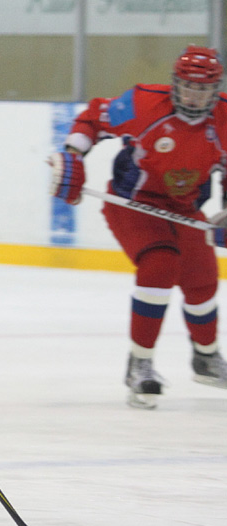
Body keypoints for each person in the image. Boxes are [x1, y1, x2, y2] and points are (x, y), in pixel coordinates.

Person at [49, 45, 227, 410]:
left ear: (216, 89)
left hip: (184, 207)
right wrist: (72, 155)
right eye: (188, 86)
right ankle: (140, 365)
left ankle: (206, 357)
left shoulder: (225, 118)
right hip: (134, 204)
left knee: (203, 277)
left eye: (204, 88)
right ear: (175, 84)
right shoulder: (145, 103)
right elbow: (93, 118)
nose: (195, 95)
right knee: (160, 263)